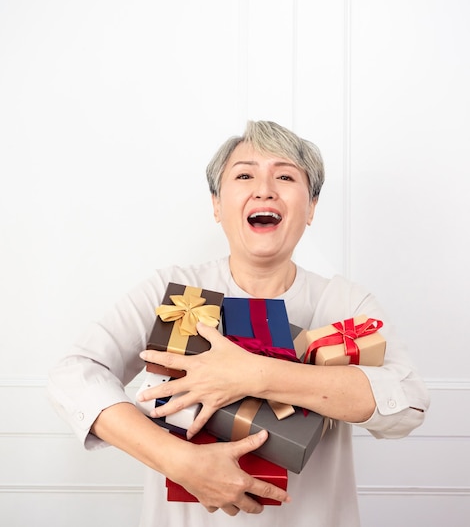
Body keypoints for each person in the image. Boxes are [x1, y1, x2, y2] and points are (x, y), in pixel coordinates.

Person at [47, 120, 429, 527]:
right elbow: (73, 375)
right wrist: (178, 460)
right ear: (216, 204)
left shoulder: (346, 303)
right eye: (245, 174)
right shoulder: (175, 292)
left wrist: (255, 374)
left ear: (312, 207)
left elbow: (406, 403)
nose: (264, 188)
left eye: (285, 175)